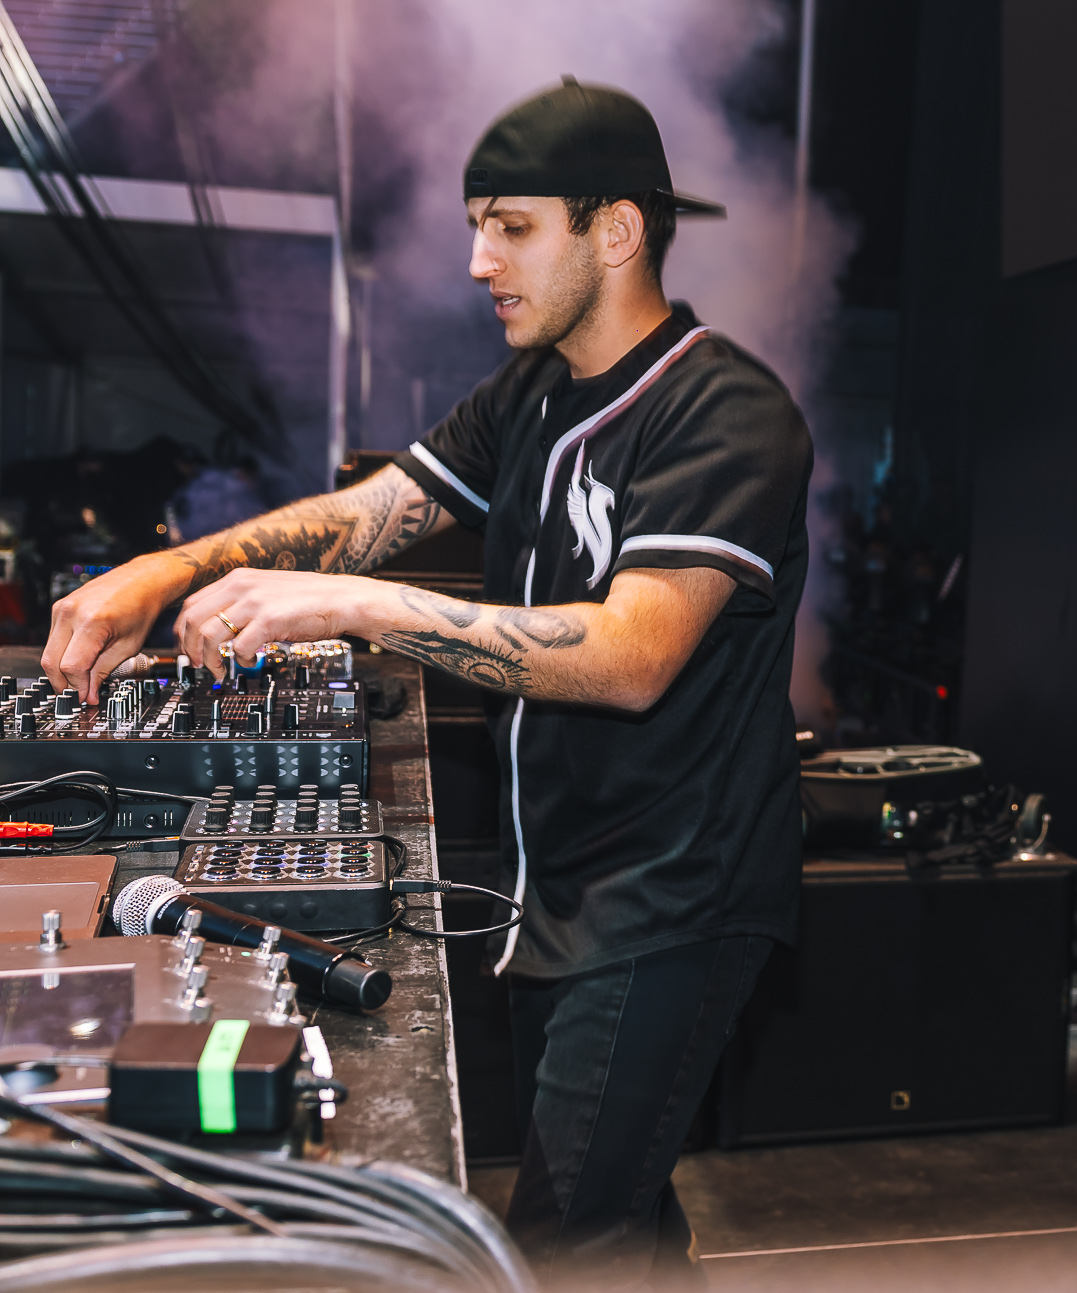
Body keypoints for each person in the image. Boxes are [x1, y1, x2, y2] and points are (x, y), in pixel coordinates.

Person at [42, 78, 813, 1283]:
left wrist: (360, 608)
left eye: (511, 226)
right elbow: (370, 516)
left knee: (568, 1236)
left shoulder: (726, 413)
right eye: (475, 226)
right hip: (560, 879)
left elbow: (631, 655)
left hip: (674, 895)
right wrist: (172, 568)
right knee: (622, 1212)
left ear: (615, 230)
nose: (477, 261)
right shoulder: (533, 393)